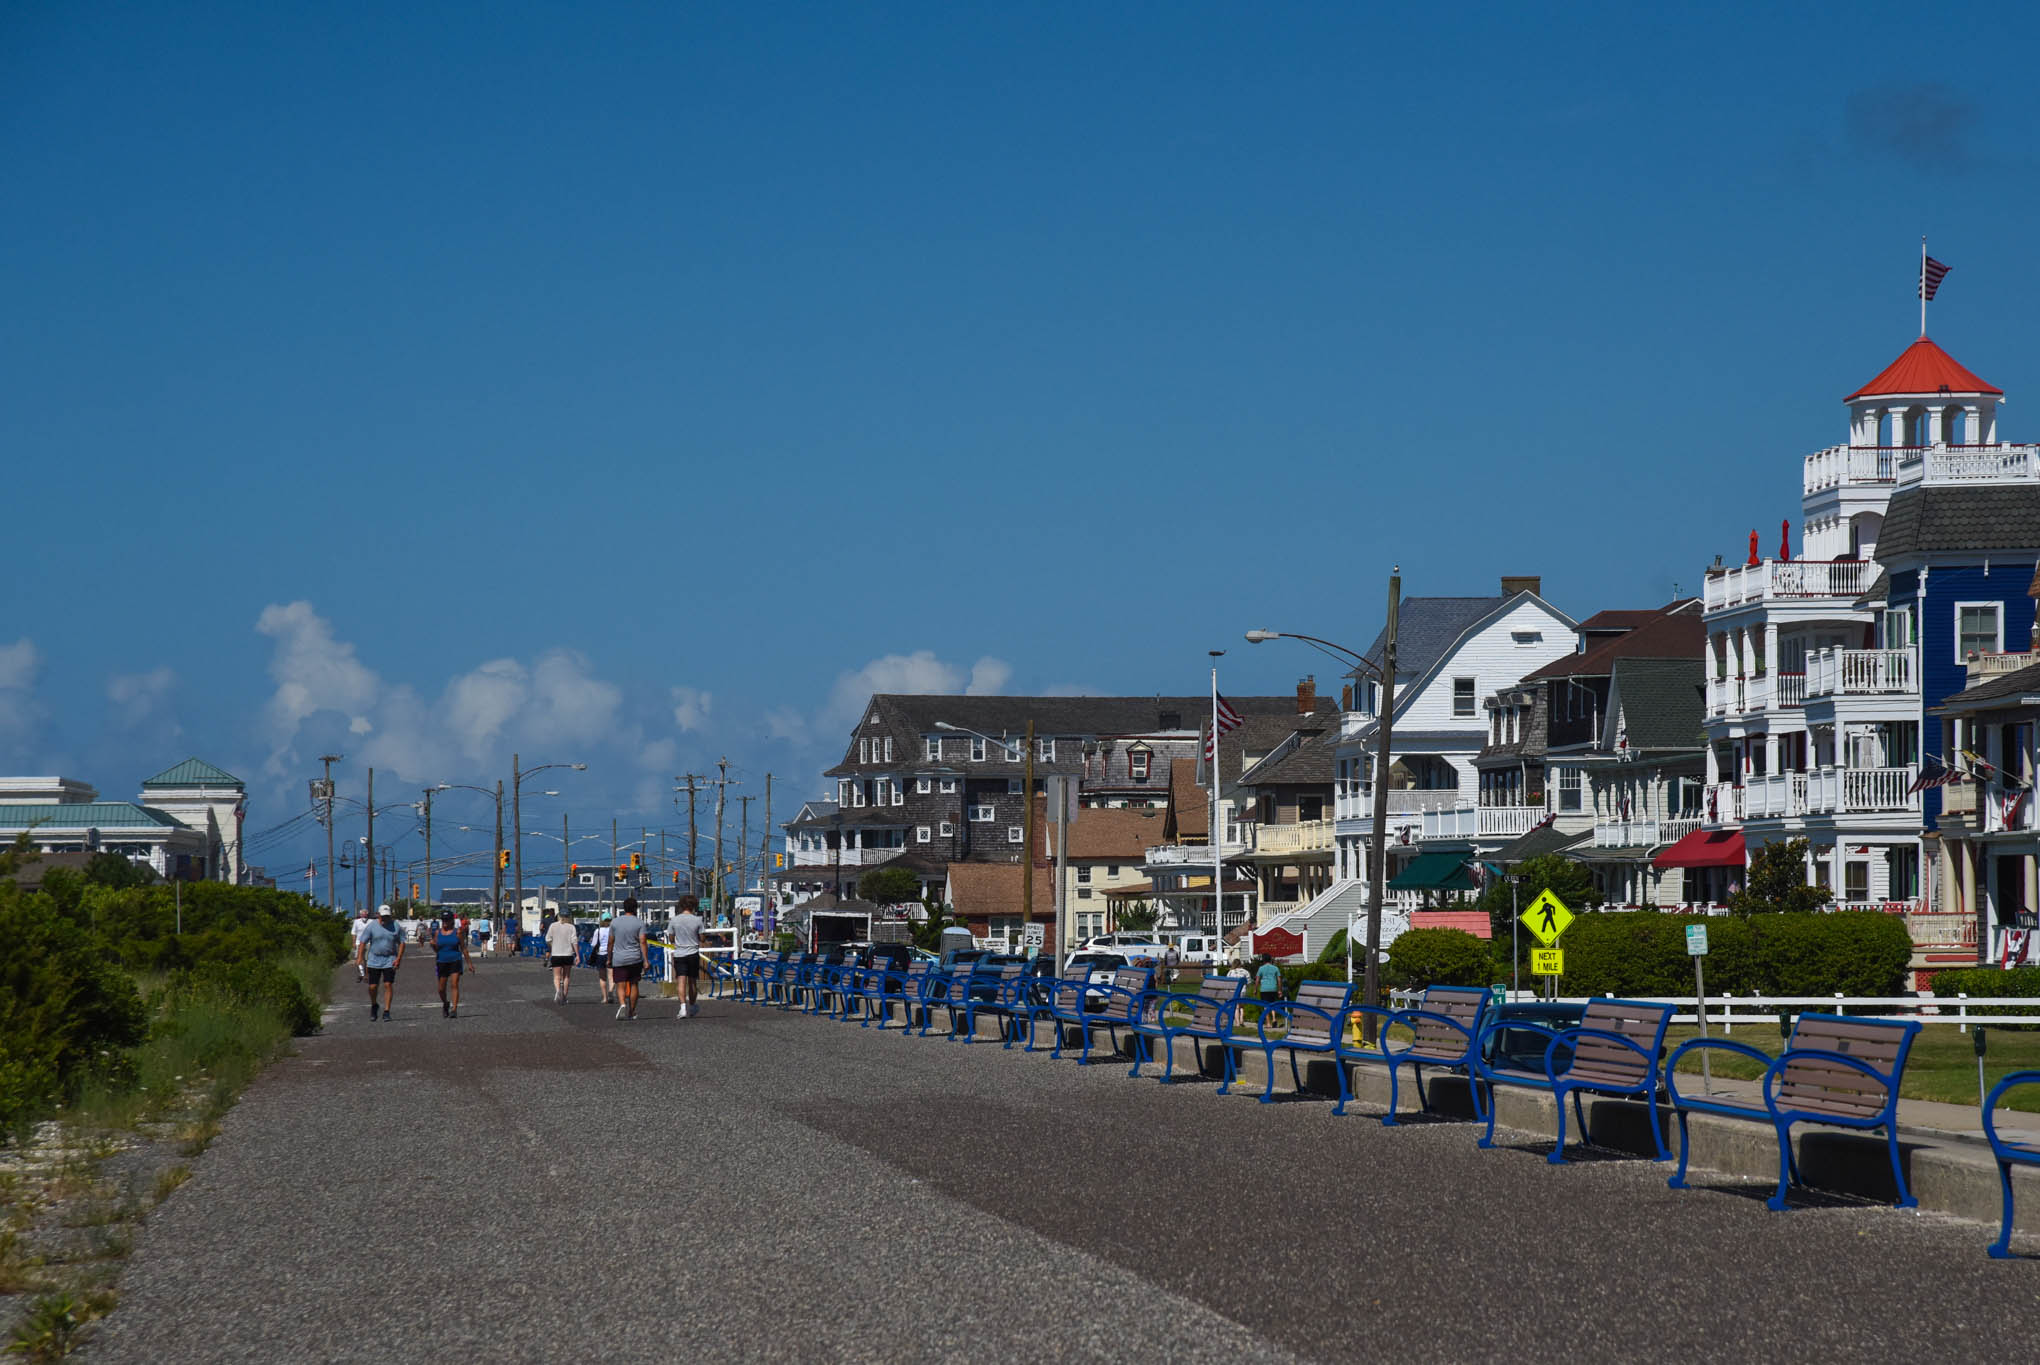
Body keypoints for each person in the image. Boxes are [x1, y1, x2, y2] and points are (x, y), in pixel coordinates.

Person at [357, 904, 405, 1021]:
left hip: (390, 959)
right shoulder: (372, 926)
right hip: (374, 960)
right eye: (383, 916)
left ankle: (387, 1011)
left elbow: (402, 942)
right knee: (373, 986)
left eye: (387, 916)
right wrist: (359, 957)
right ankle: (374, 1005)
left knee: (388, 984)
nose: (385, 919)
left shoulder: (395, 926)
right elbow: (363, 941)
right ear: (378, 915)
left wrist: (398, 958)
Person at [609, 896, 647, 1021]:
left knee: (620, 984)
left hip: (619, 958)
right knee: (634, 984)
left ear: (624, 908)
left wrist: (609, 958)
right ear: (635, 908)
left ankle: (622, 1004)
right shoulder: (639, 922)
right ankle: (631, 1011)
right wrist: (646, 960)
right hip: (635, 958)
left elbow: (611, 942)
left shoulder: (614, 922)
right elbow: (642, 941)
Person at [669, 894, 705, 1019]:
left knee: (681, 981)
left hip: (679, 953)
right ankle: (693, 1005)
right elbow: (702, 938)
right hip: (693, 953)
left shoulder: (674, 920)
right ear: (694, 905)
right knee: (692, 982)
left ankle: (683, 1007)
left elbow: (671, 937)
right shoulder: (698, 920)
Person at [431, 911, 472, 1017]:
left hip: (455, 960)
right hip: (442, 961)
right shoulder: (437, 933)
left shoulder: (457, 932)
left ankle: (454, 1009)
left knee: (454, 984)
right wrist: (433, 945)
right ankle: (445, 1003)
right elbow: (437, 949)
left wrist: (469, 964)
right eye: (443, 920)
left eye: (447, 920)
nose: (445, 922)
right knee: (441, 989)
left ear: (451, 921)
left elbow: (463, 948)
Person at [545, 911, 579, 1004]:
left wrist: (553, 945)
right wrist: (577, 955)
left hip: (556, 954)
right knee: (566, 976)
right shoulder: (571, 927)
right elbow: (574, 941)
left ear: (558, 916)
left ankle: (558, 991)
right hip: (568, 954)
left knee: (557, 976)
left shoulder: (553, 926)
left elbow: (547, 939)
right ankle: (564, 996)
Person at [591, 912, 615, 1004]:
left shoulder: (598, 930)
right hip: (612, 953)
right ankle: (611, 991)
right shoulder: (613, 930)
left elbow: (593, 944)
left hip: (601, 954)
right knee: (612, 977)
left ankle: (605, 998)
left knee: (602, 977)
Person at [351, 908, 374, 983]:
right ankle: (361, 974)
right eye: (362, 914)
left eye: (365, 913)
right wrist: (354, 942)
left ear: (367, 914)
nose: (364, 915)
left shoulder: (371, 922)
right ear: (360, 915)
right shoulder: (356, 922)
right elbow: (354, 933)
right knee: (358, 959)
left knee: (367, 960)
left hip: (368, 943)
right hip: (359, 943)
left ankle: (367, 975)